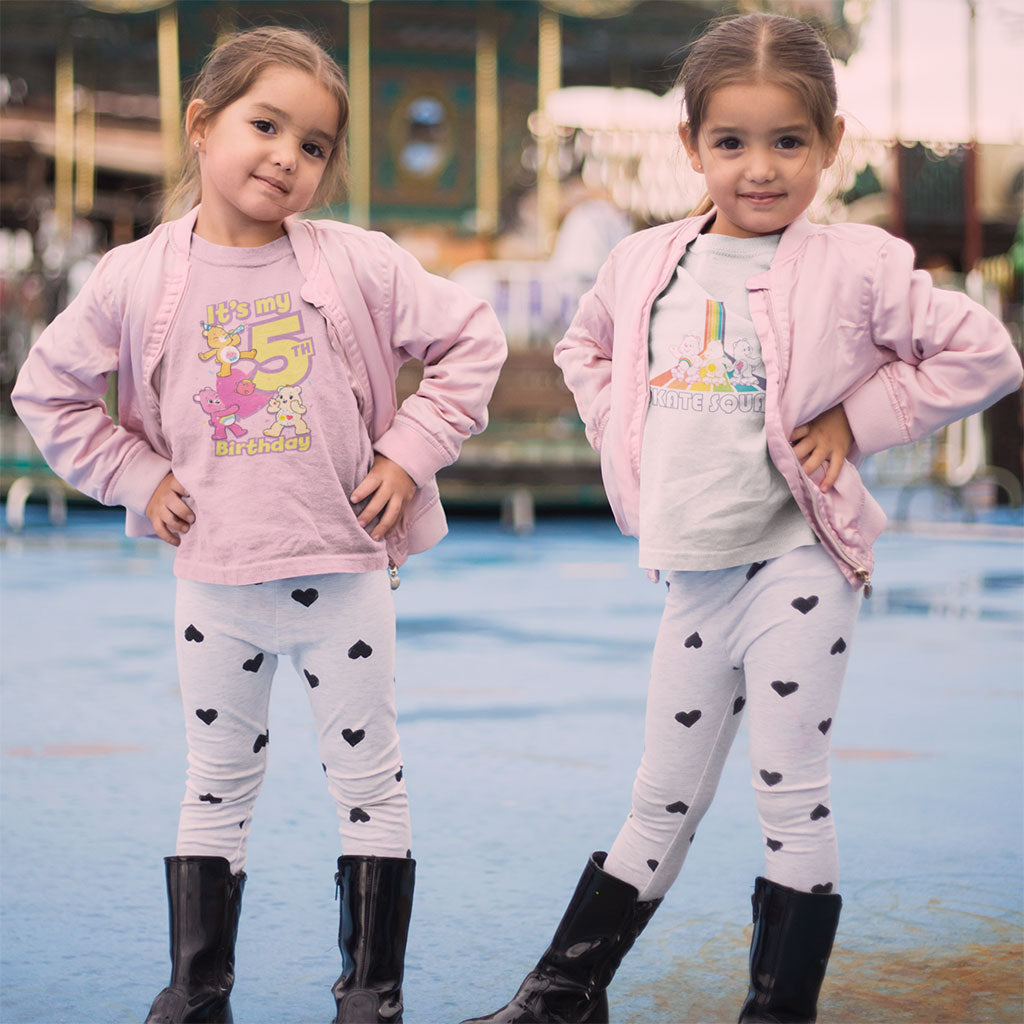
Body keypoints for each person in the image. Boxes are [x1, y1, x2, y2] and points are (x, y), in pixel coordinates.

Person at [460, 12, 1021, 1024]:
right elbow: (588, 350)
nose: (758, 168)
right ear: (690, 147)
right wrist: (619, 428)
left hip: (797, 560)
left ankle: (775, 1010)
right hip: (694, 567)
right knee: (660, 794)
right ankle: (563, 992)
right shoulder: (642, 264)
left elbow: (984, 353)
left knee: (788, 787)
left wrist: (859, 417)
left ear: (829, 144)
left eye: (787, 142)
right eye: (731, 142)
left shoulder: (854, 264)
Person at [12, 26, 505, 1024]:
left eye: (315, 144)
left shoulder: (356, 263)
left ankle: (370, 992)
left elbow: (470, 340)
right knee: (215, 781)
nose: (287, 154)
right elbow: (47, 391)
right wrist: (136, 472)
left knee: (369, 779)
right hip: (216, 581)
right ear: (202, 126)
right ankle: (197, 990)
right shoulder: (135, 278)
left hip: (343, 575)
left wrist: (409, 452)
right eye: (265, 124)